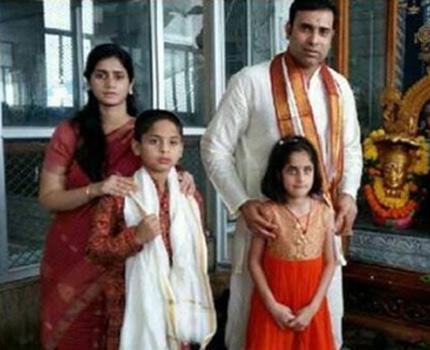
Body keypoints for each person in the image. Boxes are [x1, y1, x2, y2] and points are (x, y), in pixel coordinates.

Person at [200, 1, 362, 348]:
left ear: (332, 36)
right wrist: (242, 203)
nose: (313, 39)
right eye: (305, 28)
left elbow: (351, 149)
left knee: (322, 324)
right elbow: (214, 147)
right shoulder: (251, 82)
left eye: (323, 31)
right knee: (254, 328)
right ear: (287, 29)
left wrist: (348, 194)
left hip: (319, 228)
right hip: (266, 228)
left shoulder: (340, 88)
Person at [38, 43, 194, 349]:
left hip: (131, 253)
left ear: (131, 83)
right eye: (101, 75)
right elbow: (48, 198)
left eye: (119, 76)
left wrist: (184, 178)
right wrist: (95, 189)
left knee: (130, 333)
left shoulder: (145, 134)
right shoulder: (70, 133)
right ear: (88, 80)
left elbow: (167, 175)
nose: (110, 83)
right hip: (74, 251)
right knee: (73, 334)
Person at [87, 109, 215, 349]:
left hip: (178, 307)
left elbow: (196, 246)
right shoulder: (120, 195)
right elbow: (95, 250)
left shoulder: (189, 196)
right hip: (130, 307)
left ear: (181, 149)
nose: (165, 149)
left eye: (173, 142)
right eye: (154, 141)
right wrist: (134, 237)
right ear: (137, 147)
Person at [246, 136, 336, 349]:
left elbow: (330, 262)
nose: (300, 178)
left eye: (307, 170)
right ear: (279, 173)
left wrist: (313, 309)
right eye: (292, 170)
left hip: (311, 306)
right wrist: (272, 306)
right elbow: (254, 262)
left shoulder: (325, 213)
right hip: (274, 304)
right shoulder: (268, 212)